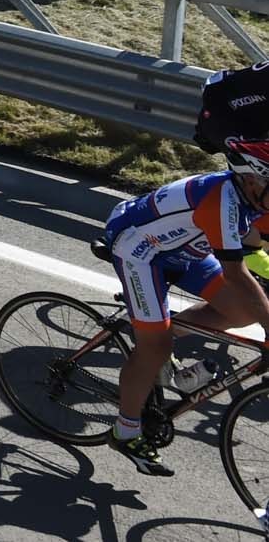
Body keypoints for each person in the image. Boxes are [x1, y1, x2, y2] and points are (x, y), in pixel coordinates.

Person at [103, 141, 269, 475]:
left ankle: (159, 331)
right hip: (141, 253)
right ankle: (125, 430)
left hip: (186, 252)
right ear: (253, 180)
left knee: (241, 313)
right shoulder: (221, 202)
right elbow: (236, 274)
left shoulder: (251, 195)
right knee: (155, 347)